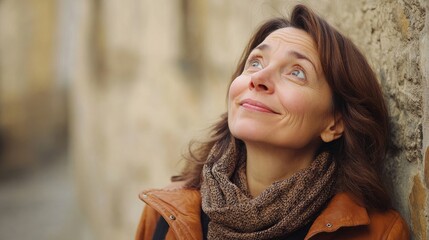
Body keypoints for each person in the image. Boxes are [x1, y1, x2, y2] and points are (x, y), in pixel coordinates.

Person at [135, 4, 410, 240]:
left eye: (296, 72)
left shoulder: (379, 233)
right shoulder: (166, 214)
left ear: (334, 124)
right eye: (255, 63)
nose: (259, 78)